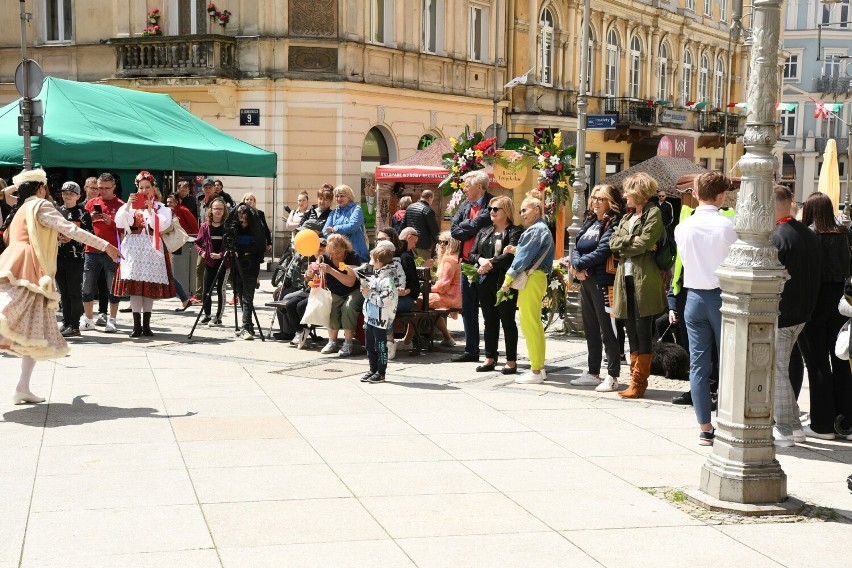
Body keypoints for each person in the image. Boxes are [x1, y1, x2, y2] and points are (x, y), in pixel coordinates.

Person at [0, 169, 120, 404]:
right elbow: (72, 229)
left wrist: (53, 238)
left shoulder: (21, 209)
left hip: (14, 260)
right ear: (41, 188)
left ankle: (23, 386)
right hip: (28, 264)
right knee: (9, 314)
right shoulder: (40, 206)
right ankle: (22, 386)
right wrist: (106, 245)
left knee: (30, 330)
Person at [674, 171, 737, 445]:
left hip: (694, 296)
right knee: (730, 363)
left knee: (698, 365)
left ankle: (704, 426)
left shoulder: (683, 227)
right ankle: (729, 420)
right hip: (722, 296)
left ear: (696, 194)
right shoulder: (727, 226)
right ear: (722, 196)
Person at [797, 191, 852, 440]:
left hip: (814, 302)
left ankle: (822, 424)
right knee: (840, 359)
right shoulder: (843, 234)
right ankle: (846, 421)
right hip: (841, 301)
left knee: (816, 363)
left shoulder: (809, 235)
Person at [769, 185, 821, 447]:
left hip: (783, 313)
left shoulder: (778, 237)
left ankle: (786, 428)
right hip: (803, 312)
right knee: (781, 368)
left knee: (776, 371)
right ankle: (795, 428)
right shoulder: (808, 234)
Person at [609, 172, 667, 400]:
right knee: (629, 328)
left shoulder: (654, 213)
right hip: (625, 280)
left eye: (628, 192)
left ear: (639, 192)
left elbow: (646, 242)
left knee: (643, 331)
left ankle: (639, 383)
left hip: (644, 280)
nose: (624, 196)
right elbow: (613, 244)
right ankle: (634, 379)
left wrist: (631, 243)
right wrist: (631, 243)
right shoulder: (627, 217)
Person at [566, 184, 624, 392]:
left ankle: (613, 375)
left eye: (601, 198)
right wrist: (575, 265)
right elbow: (576, 246)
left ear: (611, 202)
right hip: (586, 281)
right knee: (590, 328)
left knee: (608, 330)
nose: (595, 202)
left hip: (602, 282)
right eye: (594, 198)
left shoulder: (614, 223)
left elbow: (603, 251)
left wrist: (580, 265)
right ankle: (593, 372)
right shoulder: (590, 221)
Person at [498, 191, 553, 383]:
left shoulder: (535, 230)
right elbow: (527, 252)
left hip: (532, 277)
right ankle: (538, 368)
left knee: (530, 324)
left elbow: (523, 259)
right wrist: (516, 249)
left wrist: (508, 279)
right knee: (534, 324)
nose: (522, 214)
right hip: (537, 277)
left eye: (525, 210)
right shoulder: (541, 228)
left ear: (536, 210)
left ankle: (536, 370)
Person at [113, 171, 176, 338]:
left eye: (147, 187)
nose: (144, 191)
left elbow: (162, 225)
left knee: (148, 288)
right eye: (141, 188)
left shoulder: (161, 208)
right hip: (134, 249)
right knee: (135, 288)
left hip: (151, 249)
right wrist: (127, 205)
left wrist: (150, 209)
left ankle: (146, 326)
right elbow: (119, 222)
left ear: (153, 188)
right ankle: (136, 326)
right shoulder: (130, 206)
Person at [469, 196, 522, 374]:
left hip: (504, 281)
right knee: (489, 321)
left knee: (507, 321)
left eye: (495, 209)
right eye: (491, 208)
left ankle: (511, 361)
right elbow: (472, 254)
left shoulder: (515, 231)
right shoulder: (484, 231)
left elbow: (511, 255)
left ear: (506, 211)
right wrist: (482, 260)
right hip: (485, 282)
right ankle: (489, 357)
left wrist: (489, 263)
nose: (491, 211)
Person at [450, 170, 494, 363]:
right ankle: (471, 351)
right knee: (468, 309)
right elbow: (454, 230)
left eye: (468, 185)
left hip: (486, 264)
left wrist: (466, 227)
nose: (465, 189)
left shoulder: (491, 205)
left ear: (479, 186)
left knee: (488, 309)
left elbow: (477, 225)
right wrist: (467, 227)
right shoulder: (465, 205)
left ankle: (490, 352)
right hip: (466, 263)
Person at [81, 173, 125, 333]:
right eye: (100, 188)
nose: (103, 191)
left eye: (107, 188)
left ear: (114, 187)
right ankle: (88, 319)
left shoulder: (121, 205)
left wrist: (111, 223)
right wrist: (90, 219)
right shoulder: (91, 203)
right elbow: (82, 228)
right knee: (87, 286)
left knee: (112, 287)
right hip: (91, 250)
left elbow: (127, 230)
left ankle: (112, 320)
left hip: (111, 252)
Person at [311, 233, 361, 356]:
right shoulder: (326, 257)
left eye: (337, 253)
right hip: (335, 291)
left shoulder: (353, 257)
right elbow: (318, 278)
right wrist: (312, 275)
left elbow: (350, 282)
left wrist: (331, 270)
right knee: (331, 307)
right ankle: (332, 341)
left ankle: (348, 342)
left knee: (348, 307)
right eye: (331, 253)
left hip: (354, 290)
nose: (334, 256)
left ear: (344, 249)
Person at [56, 181, 92, 338]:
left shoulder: (83, 213)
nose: (67, 196)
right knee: (63, 292)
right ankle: (66, 321)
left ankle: (75, 324)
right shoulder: (57, 211)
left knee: (74, 292)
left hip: (76, 258)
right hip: (58, 256)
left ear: (78, 196)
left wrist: (72, 238)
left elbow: (90, 235)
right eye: (65, 193)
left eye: (71, 193)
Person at [359, 245, 399, 384]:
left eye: (371, 259)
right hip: (371, 317)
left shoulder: (387, 280)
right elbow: (370, 293)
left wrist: (368, 294)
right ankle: (372, 369)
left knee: (380, 346)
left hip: (381, 319)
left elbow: (384, 300)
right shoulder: (376, 276)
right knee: (369, 344)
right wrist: (366, 290)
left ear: (377, 261)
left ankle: (381, 372)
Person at [231, 203, 268, 340]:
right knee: (241, 295)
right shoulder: (235, 228)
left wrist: (245, 250)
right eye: (240, 215)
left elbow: (258, 247)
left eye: (245, 215)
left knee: (247, 296)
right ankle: (248, 325)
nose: (242, 219)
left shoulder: (255, 229)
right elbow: (232, 245)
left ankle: (246, 327)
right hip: (237, 264)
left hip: (251, 265)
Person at [194, 198, 229, 326]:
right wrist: (202, 253)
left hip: (224, 263)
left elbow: (230, 246)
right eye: (216, 209)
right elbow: (197, 243)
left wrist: (220, 255)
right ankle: (207, 315)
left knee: (221, 290)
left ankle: (218, 317)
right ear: (211, 210)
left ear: (224, 211)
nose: (218, 211)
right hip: (209, 263)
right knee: (206, 290)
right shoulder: (205, 226)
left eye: (221, 209)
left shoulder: (227, 226)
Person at [426, 231, 463, 347]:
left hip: (451, 296)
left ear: (452, 243)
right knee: (424, 303)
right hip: (455, 296)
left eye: (445, 242)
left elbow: (443, 286)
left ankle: (409, 340)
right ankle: (447, 338)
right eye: (440, 242)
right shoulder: (456, 257)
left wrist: (427, 288)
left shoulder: (450, 260)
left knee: (418, 302)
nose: (441, 245)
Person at [166, 193, 199, 312]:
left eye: (170, 202)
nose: (168, 204)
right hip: (169, 245)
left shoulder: (182, 210)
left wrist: (195, 240)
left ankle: (184, 299)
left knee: (168, 275)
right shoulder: (167, 212)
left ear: (176, 202)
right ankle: (184, 299)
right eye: (167, 202)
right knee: (167, 275)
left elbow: (194, 225)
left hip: (178, 244)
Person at [323, 185, 368, 263]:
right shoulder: (333, 213)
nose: (339, 199)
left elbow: (353, 226)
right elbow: (325, 231)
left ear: (349, 197)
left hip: (356, 252)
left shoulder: (356, 209)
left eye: (342, 196)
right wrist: (335, 238)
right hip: (337, 253)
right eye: (337, 196)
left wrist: (335, 229)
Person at [192, 177, 219, 301]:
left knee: (221, 268)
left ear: (214, 188)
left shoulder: (219, 202)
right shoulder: (202, 202)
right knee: (199, 267)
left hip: (216, 239)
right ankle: (199, 294)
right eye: (205, 188)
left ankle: (236, 293)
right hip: (204, 239)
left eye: (210, 187)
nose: (208, 190)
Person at [402, 189, 440, 259]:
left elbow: (403, 225)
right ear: (430, 198)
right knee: (424, 267)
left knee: (412, 266)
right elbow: (434, 229)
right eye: (432, 199)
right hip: (424, 244)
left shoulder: (410, 207)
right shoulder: (428, 210)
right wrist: (440, 242)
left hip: (410, 243)